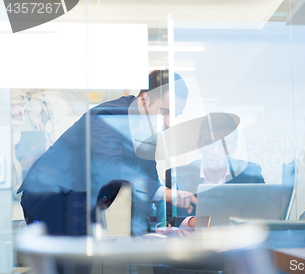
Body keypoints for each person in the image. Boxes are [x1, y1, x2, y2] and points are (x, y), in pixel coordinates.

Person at [17, 69, 196, 236]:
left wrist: (164, 224)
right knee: (64, 265)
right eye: (164, 111)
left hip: (80, 204)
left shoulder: (148, 135)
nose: (169, 123)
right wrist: (166, 193)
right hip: (50, 195)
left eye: (176, 116)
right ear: (145, 99)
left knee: (81, 265)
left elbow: (148, 180)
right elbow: (111, 168)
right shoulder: (109, 116)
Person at [163, 113, 266, 227]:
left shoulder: (250, 175)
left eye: (224, 144)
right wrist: (190, 222)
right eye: (210, 143)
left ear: (234, 149)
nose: (216, 151)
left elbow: (268, 215)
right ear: (199, 145)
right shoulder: (176, 176)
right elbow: (164, 219)